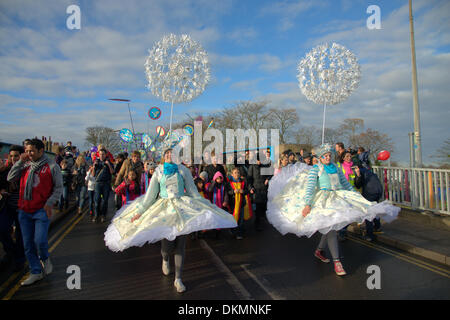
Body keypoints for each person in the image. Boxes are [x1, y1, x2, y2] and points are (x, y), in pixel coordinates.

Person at [104, 148, 237, 293]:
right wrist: (140, 212)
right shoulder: (159, 171)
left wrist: (206, 205)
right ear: (163, 156)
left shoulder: (183, 170)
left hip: (182, 208)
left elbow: (193, 191)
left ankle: (178, 278)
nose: (169, 155)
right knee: (167, 247)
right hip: (164, 209)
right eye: (167, 153)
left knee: (180, 245)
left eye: (172, 153)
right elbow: (150, 195)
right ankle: (165, 259)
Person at [266, 143, 400, 276]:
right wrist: (307, 204)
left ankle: (319, 251)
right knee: (330, 228)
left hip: (337, 198)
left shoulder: (335, 167)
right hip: (323, 201)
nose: (328, 157)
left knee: (330, 227)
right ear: (320, 157)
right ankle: (337, 262)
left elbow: (345, 184)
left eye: (329, 155)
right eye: (325, 155)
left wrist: (355, 195)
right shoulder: (316, 169)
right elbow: (310, 188)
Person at [7, 139, 63, 286]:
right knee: (27, 244)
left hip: (41, 210)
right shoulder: (24, 165)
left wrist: (50, 203)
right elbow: (10, 178)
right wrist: (19, 162)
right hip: (24, 210)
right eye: (27, 151)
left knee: (40, 240)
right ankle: (35, 271)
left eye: (31, 151)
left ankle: (44, 258)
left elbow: (58, 188)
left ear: (41, 151)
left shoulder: (52, 166)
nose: (28, 154)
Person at [0, 145, 26, 272]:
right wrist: (2, 190)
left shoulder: (27, 169)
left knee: (20, 235)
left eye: (16, 155)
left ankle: (20, 259)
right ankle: (11, 251)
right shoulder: (5, 170)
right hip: (8, 206)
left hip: (22, 208)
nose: (13, 158)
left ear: (22, 156)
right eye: (11, 156)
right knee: (2, 229)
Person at [247, 149, 273, 231]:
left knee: (263, 207)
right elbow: (249, 179)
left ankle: (262, 222)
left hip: (264, 189)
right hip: (256, 190)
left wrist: (267, 179)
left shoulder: (265, 166)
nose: (259, 162)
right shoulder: (252, 167)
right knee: (257, 207)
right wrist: (250, 188)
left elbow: (270, 174)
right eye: (258, 160)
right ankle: (257, 223)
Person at [227, 167, 251, 240]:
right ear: (232, 174)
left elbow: (247, 191)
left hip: (241, 203)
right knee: (234, 218)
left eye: (238, 172)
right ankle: (233, 230)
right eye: (235, 173)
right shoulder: (229, 183)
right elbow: (227, 192)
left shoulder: (243, 182)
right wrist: (233, 192)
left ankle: (239, 233)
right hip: (233, 204)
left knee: (240, 219)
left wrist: (243, 191)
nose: (237, 174)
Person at [93, 149, 114, 223]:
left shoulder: (109, 162)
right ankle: (96, 215)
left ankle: (103, 215)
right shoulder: (97, 162)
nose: (102, 156)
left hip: (106, 183)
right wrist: (93, 166)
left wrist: (108, 164)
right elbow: (93, 174)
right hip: (98, 183)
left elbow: (112, 172)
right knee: (97, 200)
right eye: (100, 154)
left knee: (105, 200)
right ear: (99, 155)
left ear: (105, 155)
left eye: (103, 154)